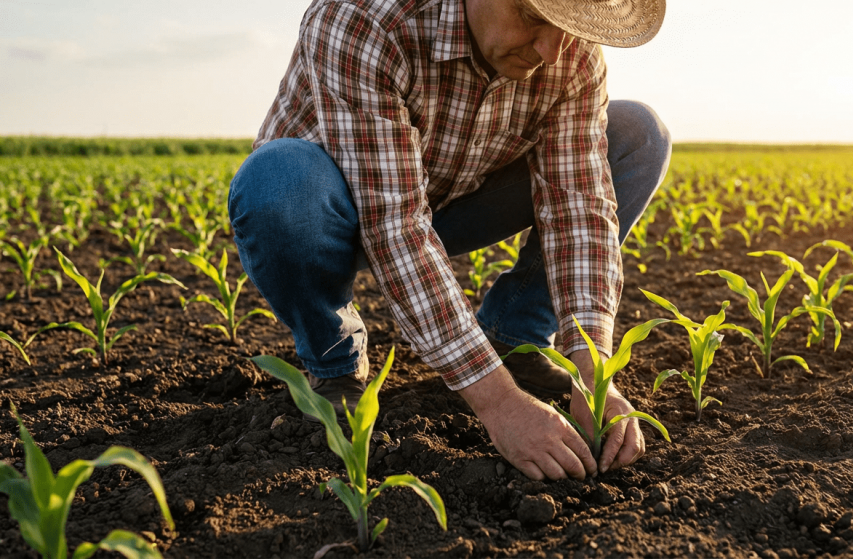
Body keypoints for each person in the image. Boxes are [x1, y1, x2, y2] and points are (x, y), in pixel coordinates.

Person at [228, 0, 671, 482]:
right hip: (334, 209)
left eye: (566, 28)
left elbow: (579, 207)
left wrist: (593, 376)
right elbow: (395, 226)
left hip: (457, 198)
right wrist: (499, 404)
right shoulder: (365, 19)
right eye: (534, 18)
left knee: (637, 135)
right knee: (274, 184)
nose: (550, 50)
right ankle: (333, 361)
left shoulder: (570, 51)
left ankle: (516, 339)